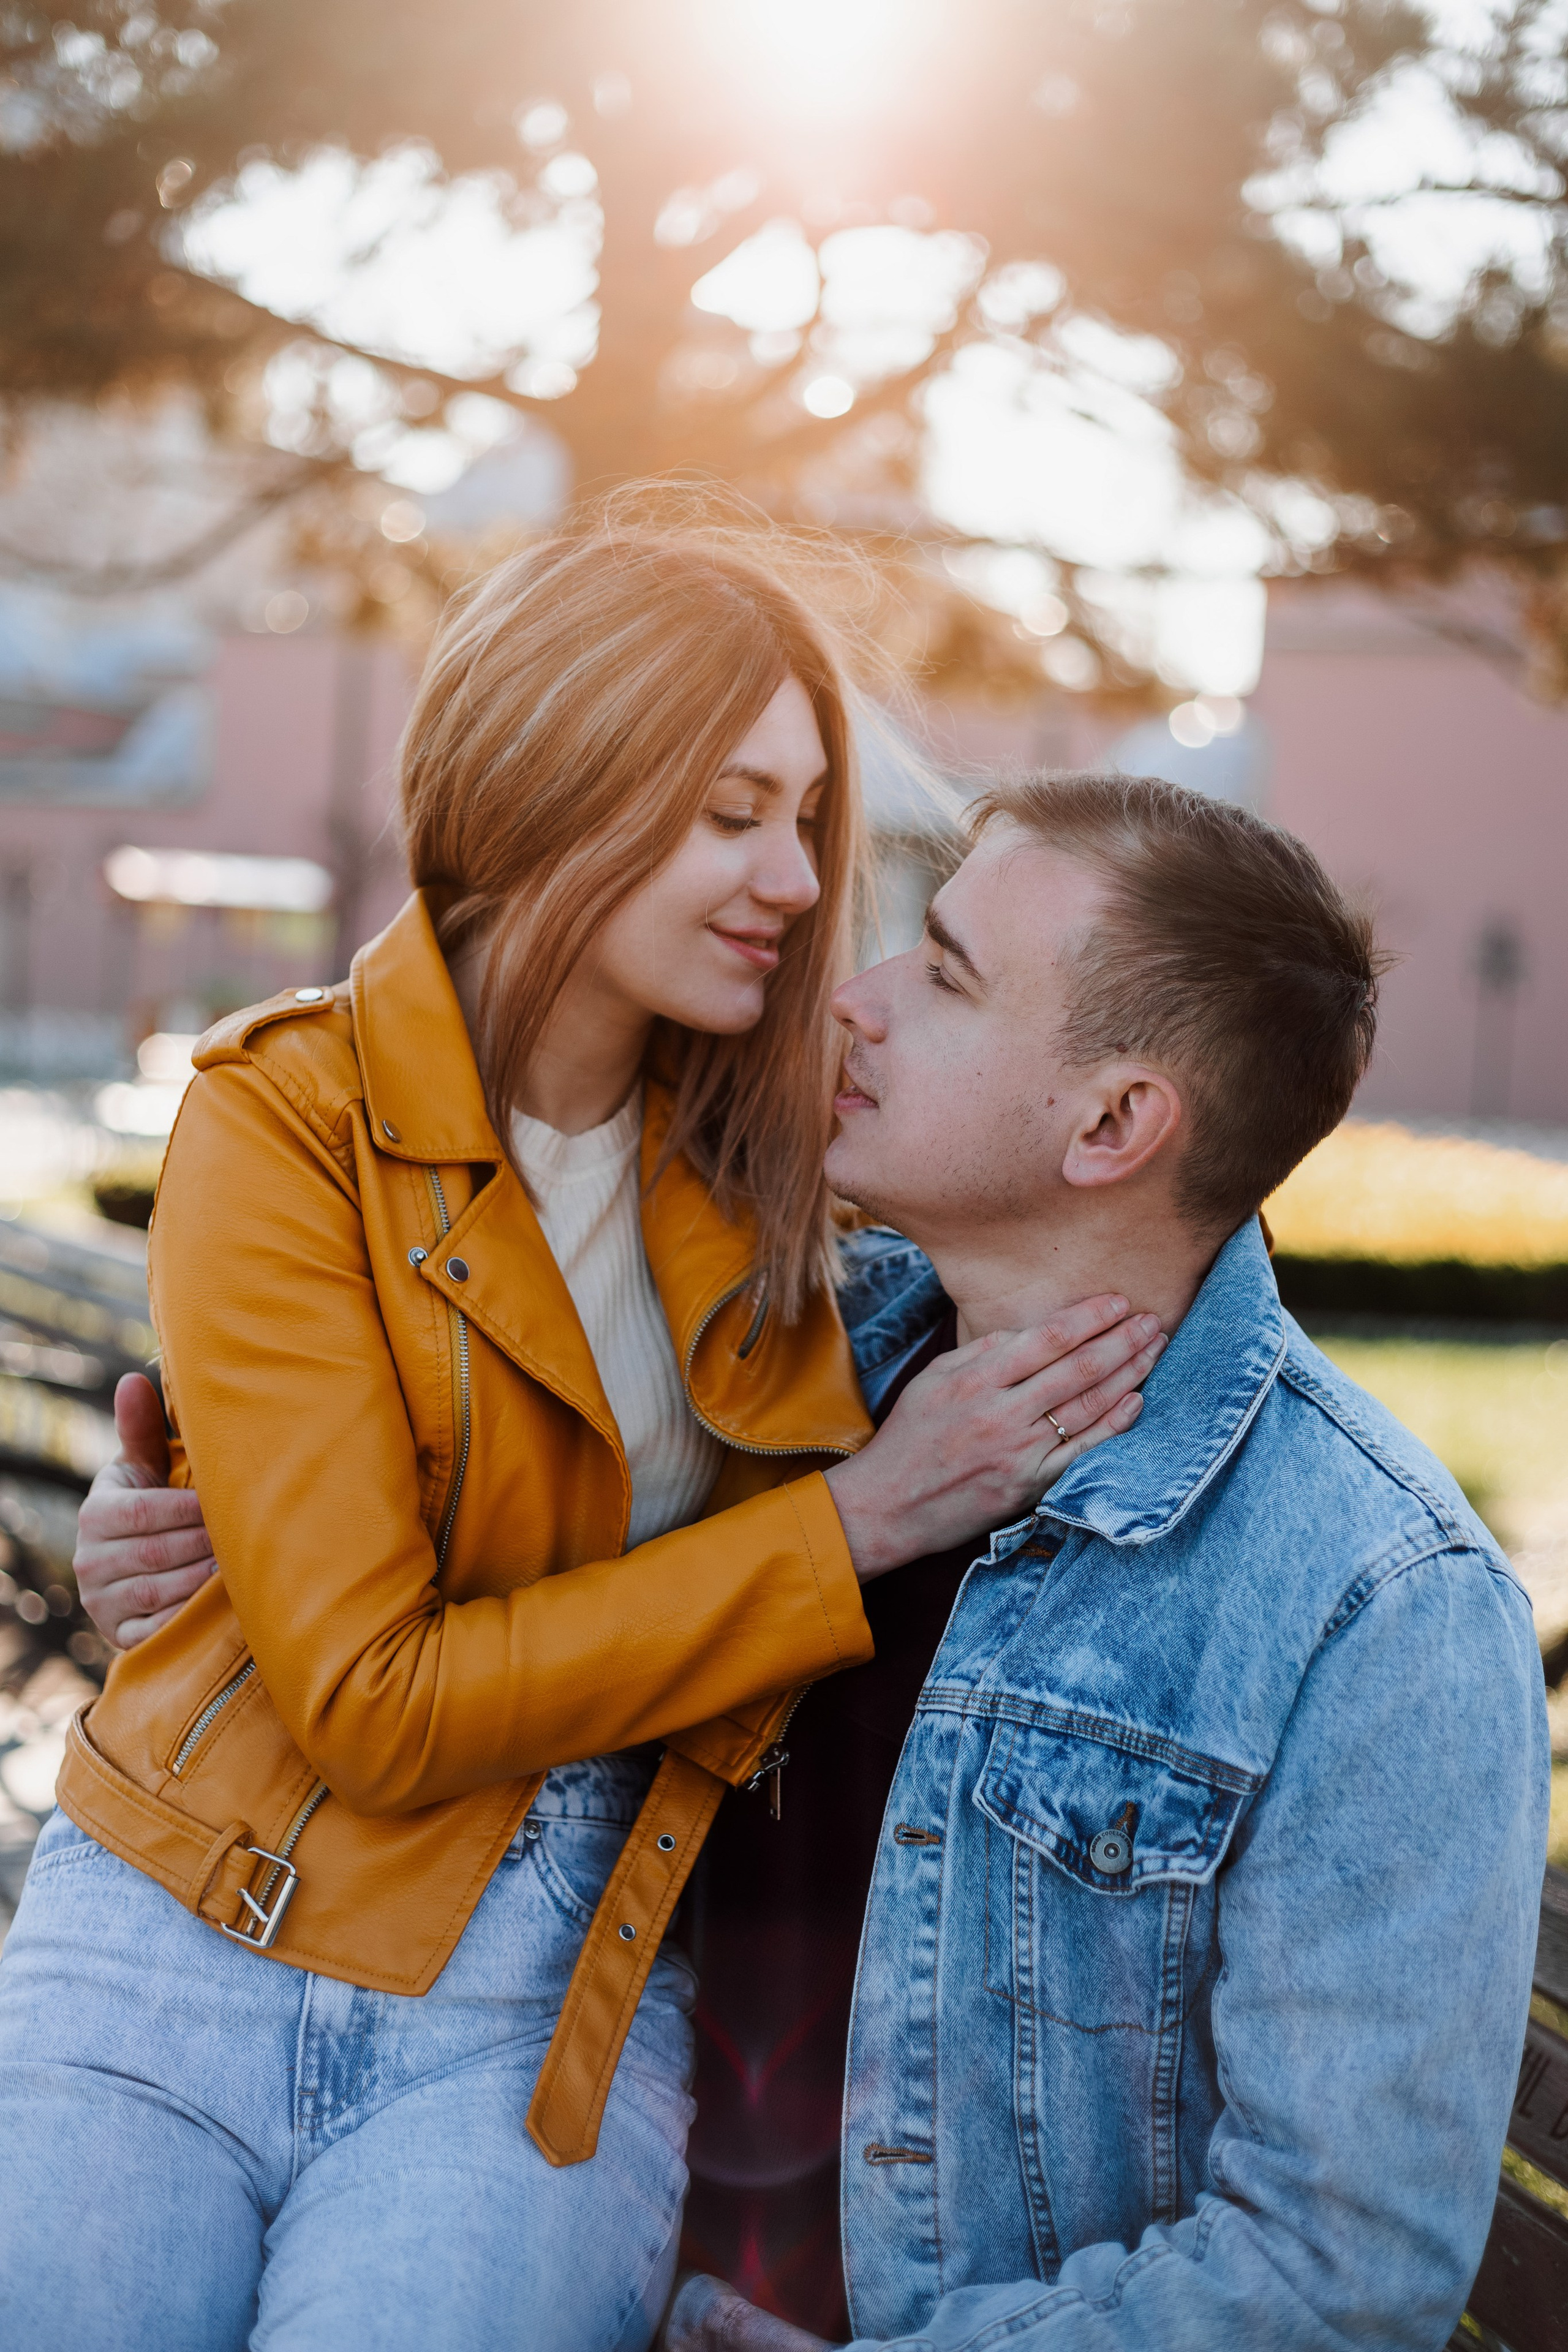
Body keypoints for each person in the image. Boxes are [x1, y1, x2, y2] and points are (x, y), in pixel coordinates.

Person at [0, 529, 1159, 2352]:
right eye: (730, 814)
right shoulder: (283, 1121)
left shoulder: (798, 1182)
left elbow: (1141, 1140)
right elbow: (369, 1701)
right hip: (172, 1943)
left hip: (542, 2008)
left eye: (803, 818)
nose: (793, 878)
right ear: (559, 784)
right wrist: (845, 1528)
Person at [660, 772, 1547, 2350]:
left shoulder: (1375, 1605)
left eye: (941, 974)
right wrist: (185, 1549)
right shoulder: (762, 1372)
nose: (851, 1000)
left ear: (1116, 1124)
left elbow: (1333, 2278)